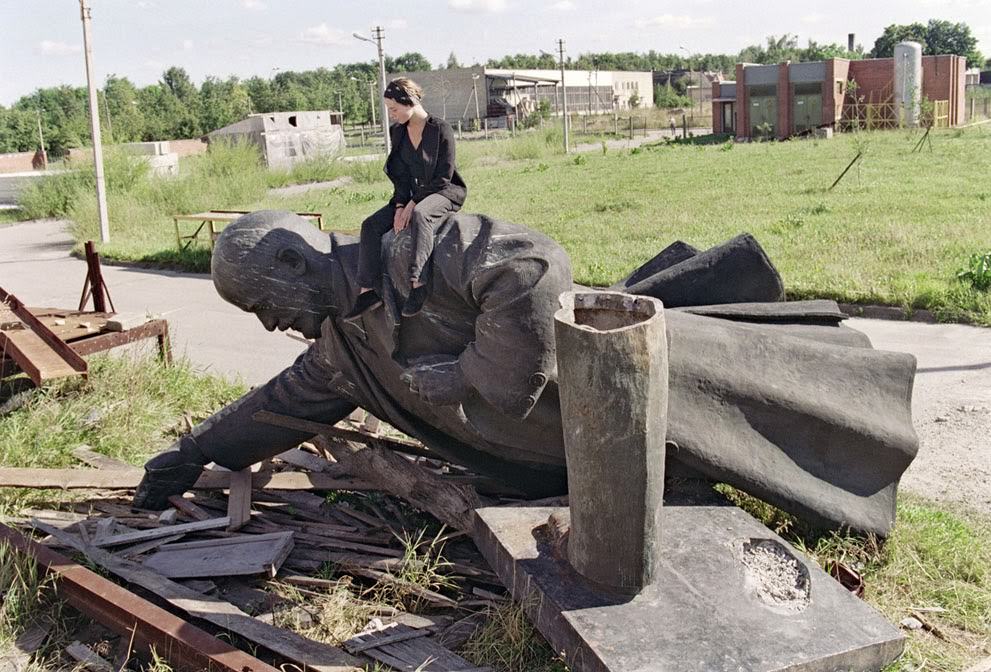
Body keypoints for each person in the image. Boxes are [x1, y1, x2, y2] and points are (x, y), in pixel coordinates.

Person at [133, 210, 919, 537]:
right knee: (692, 480)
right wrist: (198, 451)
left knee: (785, 429)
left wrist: (475, 374)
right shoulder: (345, 340)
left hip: (637, 386)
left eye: (265, 305)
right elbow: (287, 404)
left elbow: (533, 266)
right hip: (579, 449)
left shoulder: (415, 246)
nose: (271, 324)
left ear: (293, 260)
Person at [347, 78, 467, 320]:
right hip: (411, 194)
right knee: (370, 225)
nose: (391, 115)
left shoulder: (440, 129)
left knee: (421, 215)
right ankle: (368, 291)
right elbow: (400, 174)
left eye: (394, 109)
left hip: (444, 191)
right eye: (389, 110)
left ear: (409, 102)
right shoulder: (398, 131)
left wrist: (412, 206)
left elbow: (443, 177)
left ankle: (417, 285)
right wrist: (401, 204)